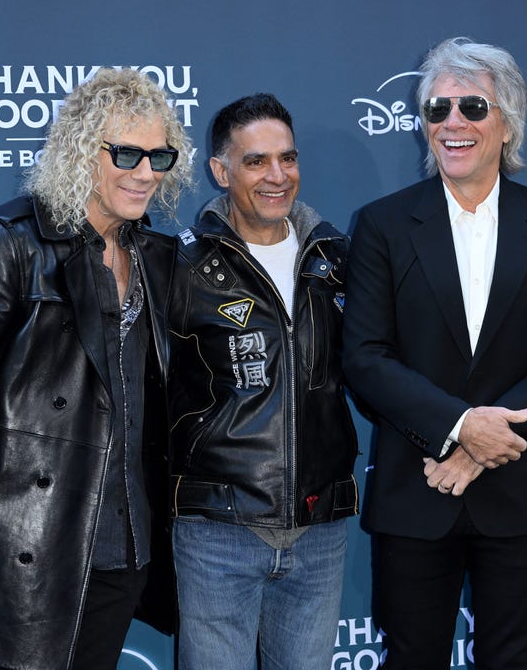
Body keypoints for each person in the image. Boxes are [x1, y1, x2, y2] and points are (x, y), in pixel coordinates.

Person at [0, 67, 193, 669]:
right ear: (83, 150)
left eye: (159, 155)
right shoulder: (11, 242)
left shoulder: (156, 254)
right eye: (127, 153)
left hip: (123, 546)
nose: (145, 172)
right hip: (30, 541)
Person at [342, 37, 527, 669]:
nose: (452, 122)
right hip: (416, 492)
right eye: (437, 108)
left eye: (472, 107)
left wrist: (488, 442)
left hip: (517, 491)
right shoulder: (382, 223)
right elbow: (366, 356)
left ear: (506, 120)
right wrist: (460, 428)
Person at [166, 93, 358, 670]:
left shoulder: (338, 259)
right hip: (217, 531)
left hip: (319, 529)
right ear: (221, 172)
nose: (278, 176)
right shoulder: (181, 267)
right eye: (256, 162)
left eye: (288, 158)